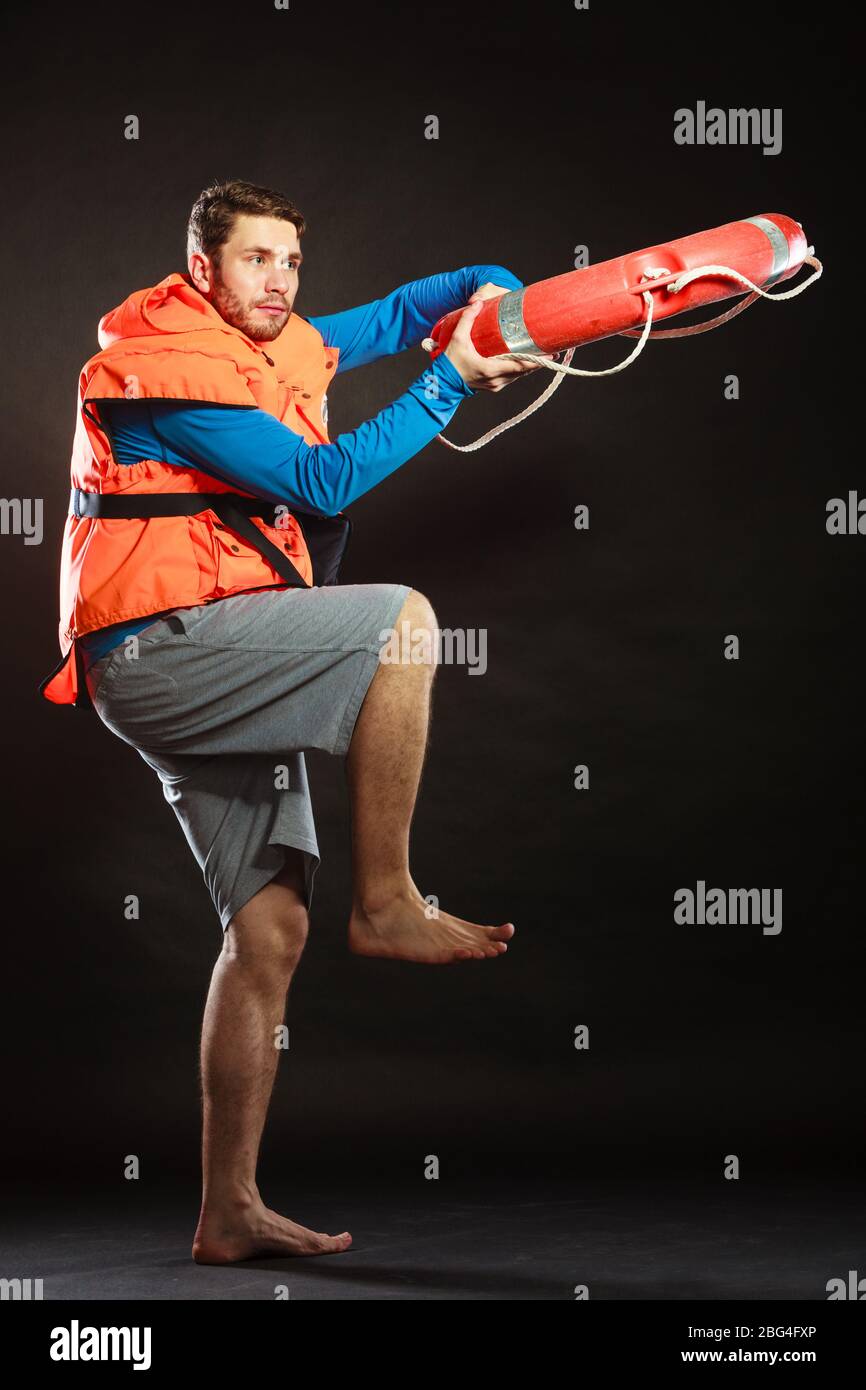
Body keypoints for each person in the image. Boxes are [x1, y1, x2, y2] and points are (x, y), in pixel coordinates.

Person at [40, 179, 547, 1263]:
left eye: (291, 263)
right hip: (159, 655)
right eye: (256, 260)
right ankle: (388, 899)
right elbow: (323, 480)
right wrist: (453, 377)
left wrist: (497, 300)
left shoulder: (281, 339)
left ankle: (227, 1212)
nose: (278, 281)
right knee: (400, 624)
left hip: (220, 647)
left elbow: (419, 304)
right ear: (203, 268)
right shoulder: (160, 375)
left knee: (267, 930)